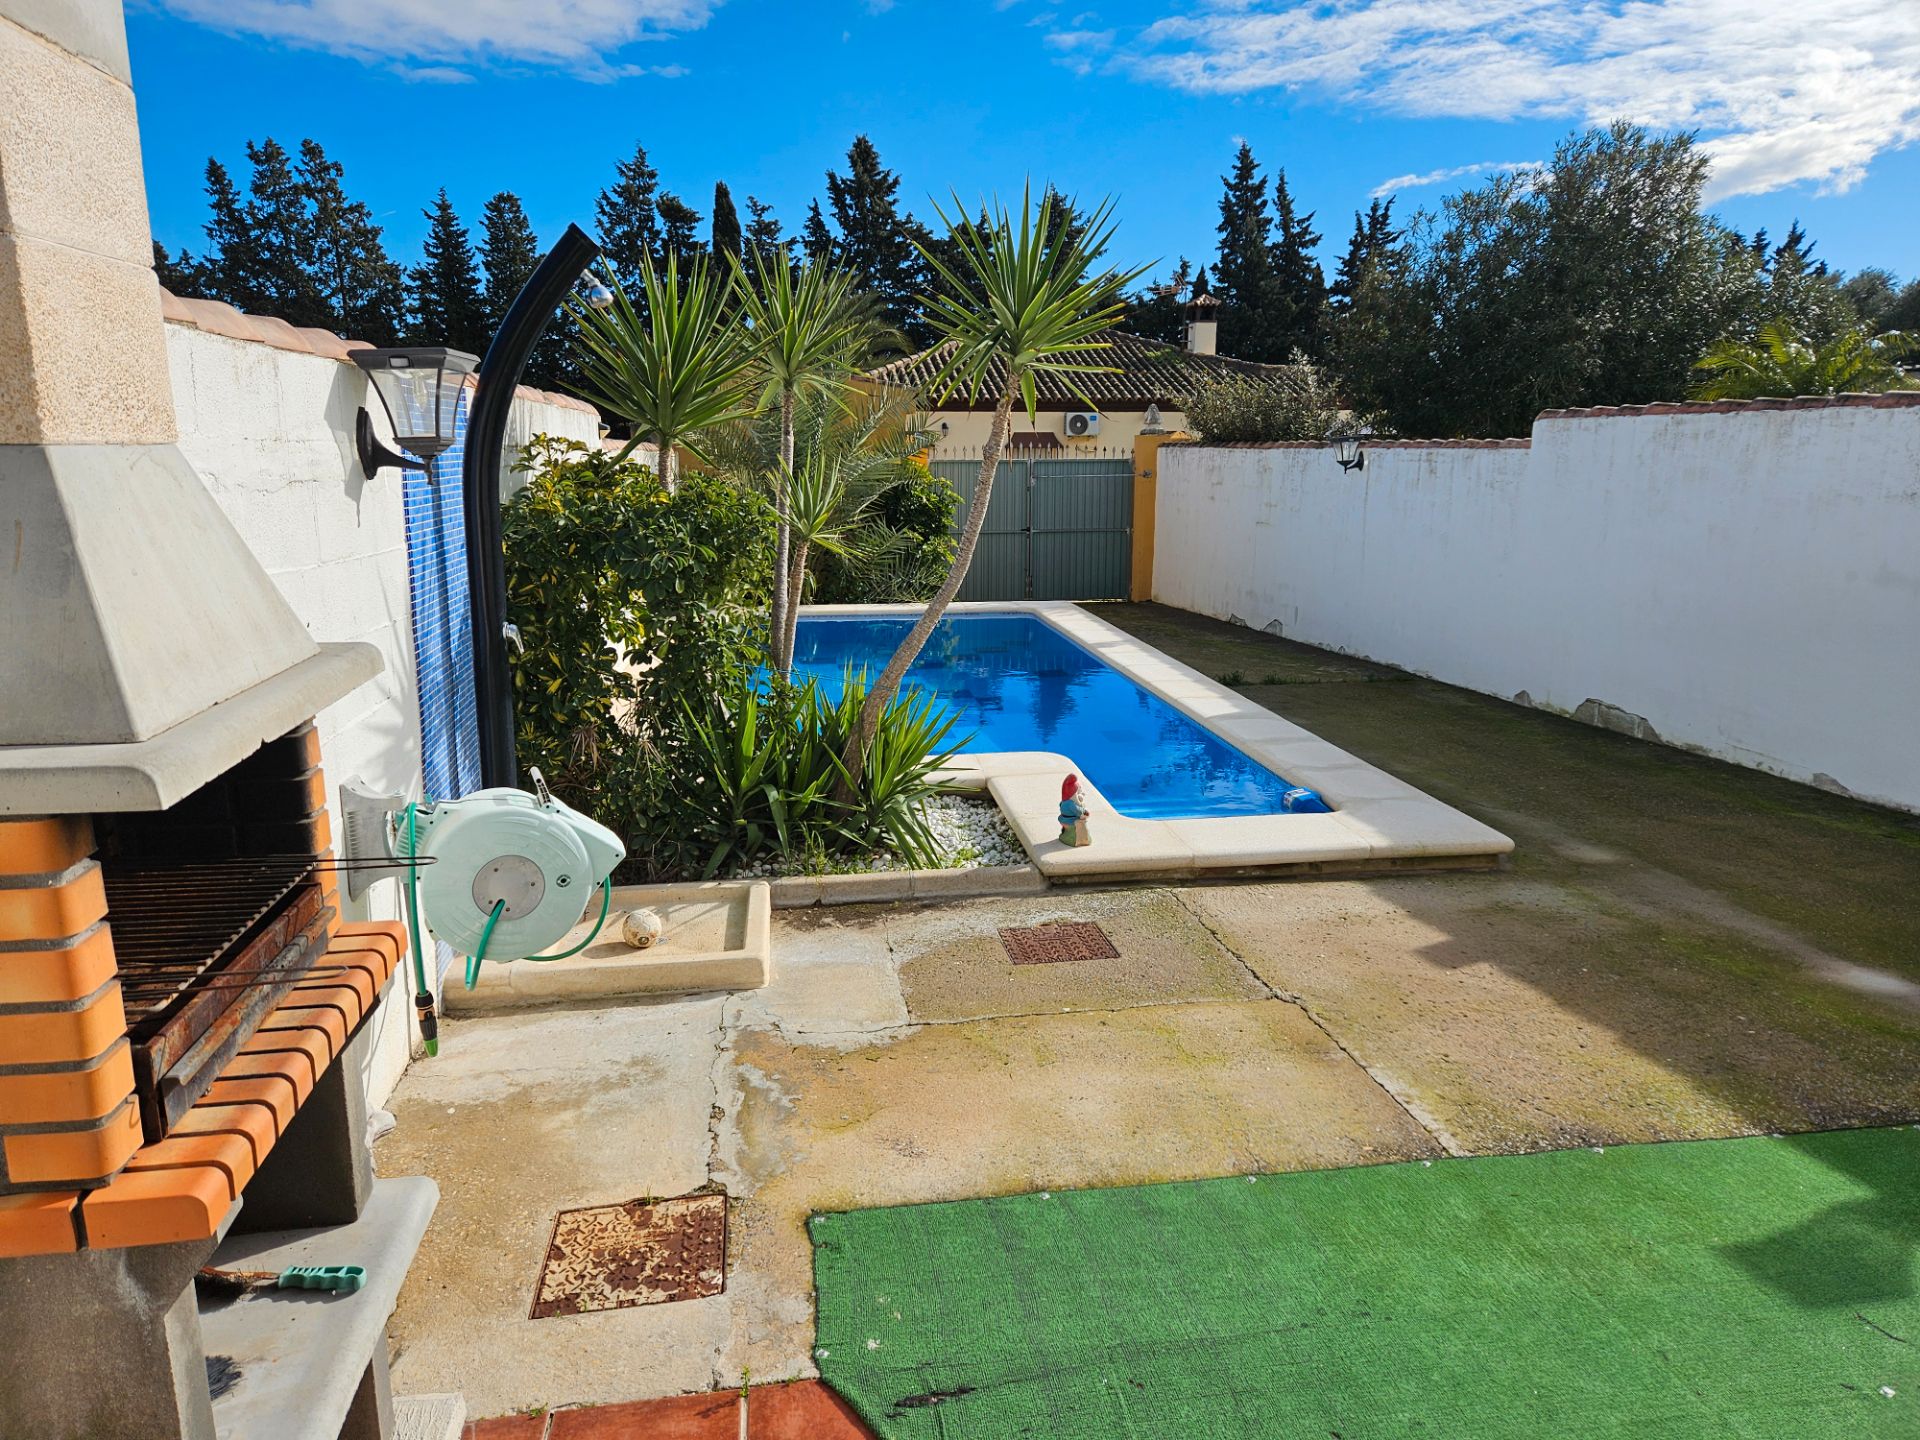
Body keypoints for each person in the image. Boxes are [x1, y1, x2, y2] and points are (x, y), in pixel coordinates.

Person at [1058, 773, 1091, 846]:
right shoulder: (1071, 804)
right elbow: (1079, 812)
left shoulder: (1065, 801)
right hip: (1070, 821)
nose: (1081, 794)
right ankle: (1076, 840)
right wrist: (1084, 809)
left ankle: (1065, 834)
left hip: (1063, 819)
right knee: (1082, 824)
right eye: (1078, 792)